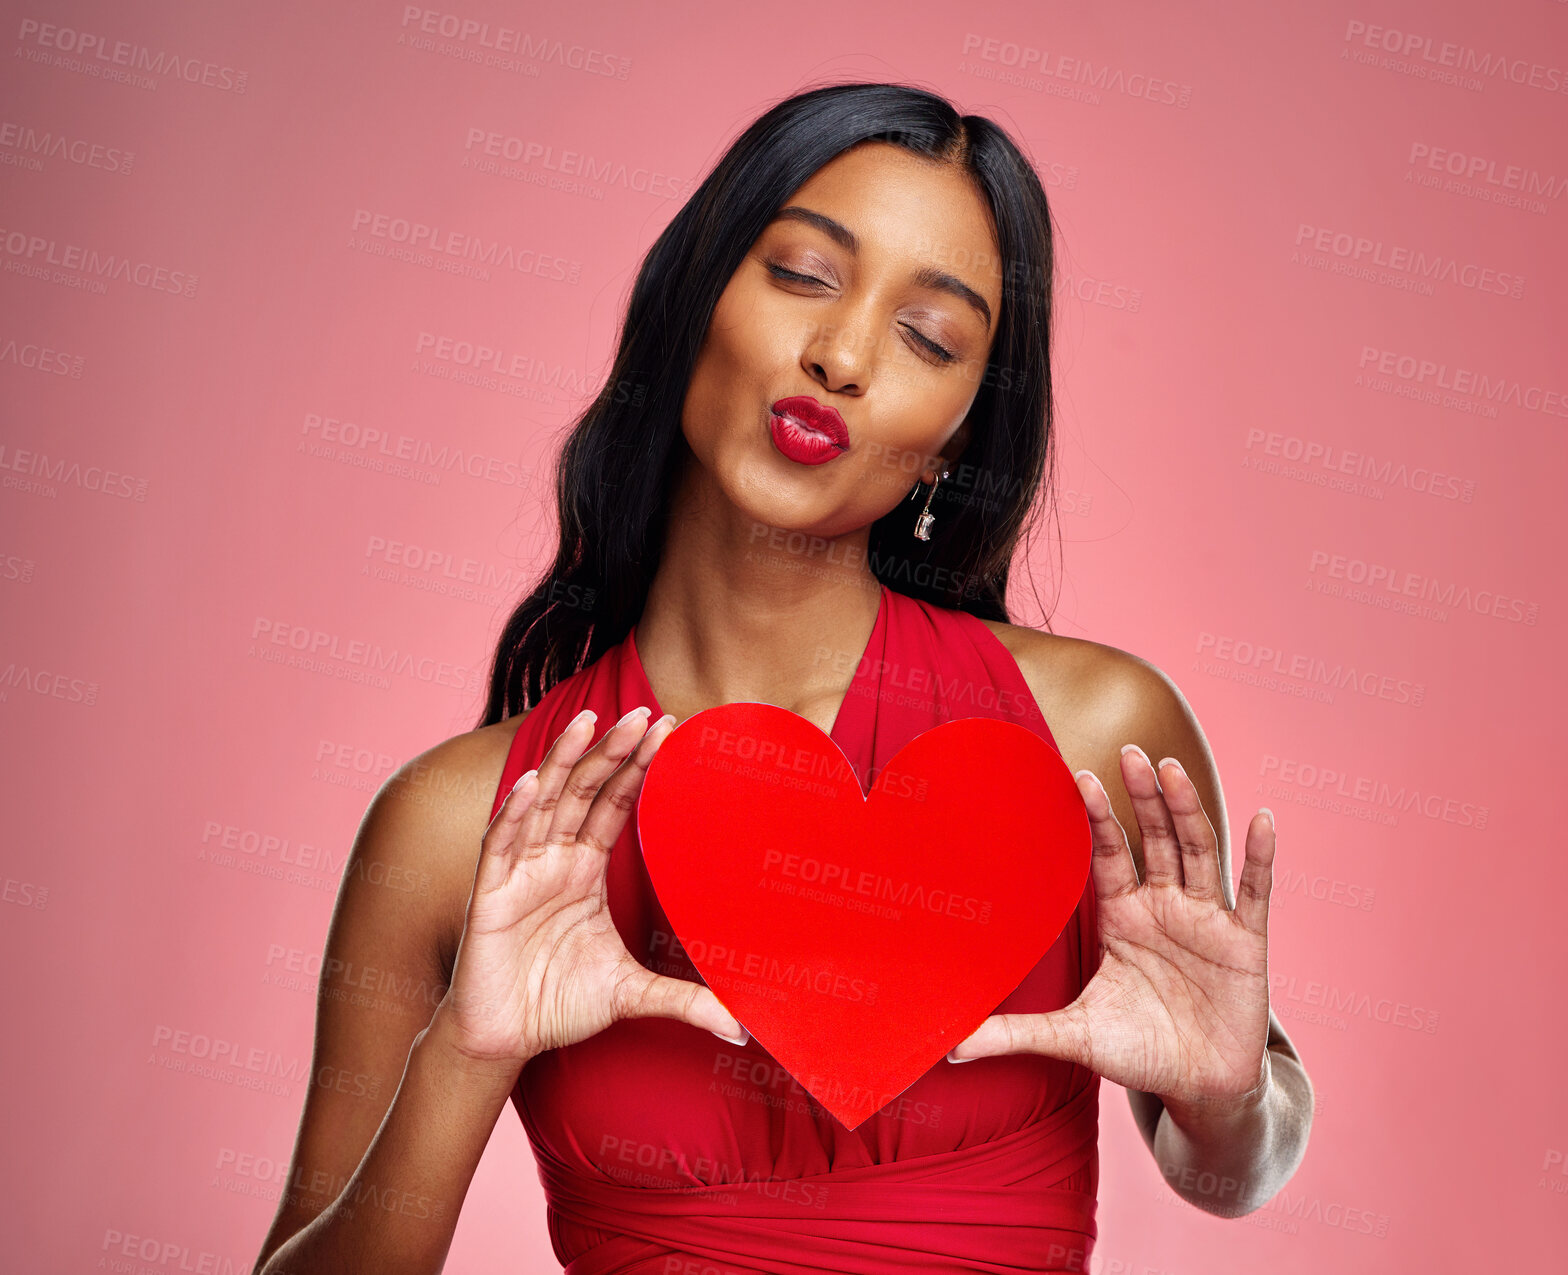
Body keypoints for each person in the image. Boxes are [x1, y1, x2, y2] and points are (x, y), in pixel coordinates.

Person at [253, 82, 1314, 1275]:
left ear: (958, 433)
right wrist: (465, 1055)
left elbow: (1233, 1171)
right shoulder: (458, 824)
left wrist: (1227, 1102)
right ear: (693, 295)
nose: (842, 355)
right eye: (804, 274)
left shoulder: (1090, 738)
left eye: (928, 338)